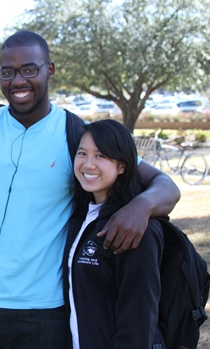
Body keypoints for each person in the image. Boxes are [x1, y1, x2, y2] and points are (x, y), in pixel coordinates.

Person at [0, 30, 180, 349]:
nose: (18, 81)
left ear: (50, 70)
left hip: (47, 312)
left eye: (29, 69)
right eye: (8, 71)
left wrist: (141, 207)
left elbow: (166, 186)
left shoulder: (79, 137)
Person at [67, 119, 165, 348]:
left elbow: (139, 318)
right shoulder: (82, 218)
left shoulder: (136, 227)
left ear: (122, 166)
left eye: (101, 156)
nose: (88, 164)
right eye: (82, 153)